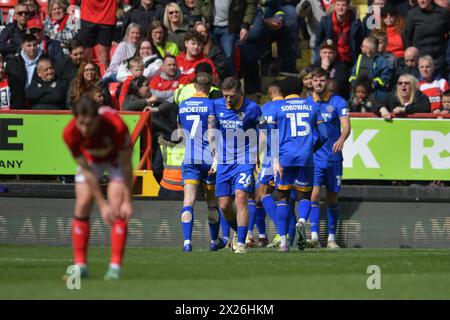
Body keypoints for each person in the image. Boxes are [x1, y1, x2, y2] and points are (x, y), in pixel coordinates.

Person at [63, 95, 133, 281]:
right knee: (82, 204)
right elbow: (86, 171)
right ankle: (80, 265)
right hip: (91, 162)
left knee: (117, 208)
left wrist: (128, 200)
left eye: (88, 124)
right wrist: (102, 204)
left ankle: (115, 267)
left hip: (115, 160)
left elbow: (126, 165)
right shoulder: (70, 133)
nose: (84, 129)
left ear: (97, 118)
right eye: (80, 123)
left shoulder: (116, 127)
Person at [270, 71, 328, 252]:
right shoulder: (312, 106)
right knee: (304, 195)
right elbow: (325, 135)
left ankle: (284, 241)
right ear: (302, 89)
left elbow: (271, 135)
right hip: (305, 157)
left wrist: (275, 160)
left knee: (282, 198)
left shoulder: (277, 107)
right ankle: (302, 221)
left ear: (283, 91)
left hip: (284, 158)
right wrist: (311, 149)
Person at [208, 77, 268, 253]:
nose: (228, 99)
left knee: (241, 197)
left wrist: (258, 152)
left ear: (240, 93)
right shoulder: (217, 105)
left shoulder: (253, 108)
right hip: (224, 161)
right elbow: (212, 129)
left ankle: (241, 243)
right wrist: (215, 155)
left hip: (245, 160)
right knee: (225, 205)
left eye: (231, 96)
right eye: (225, 95)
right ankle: (239, 233)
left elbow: (265, 131)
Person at [299, 67, 350, 249]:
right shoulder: (306, 104)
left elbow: (346, 126)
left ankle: (331, 238)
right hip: (314, 159)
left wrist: (342, 138)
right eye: (315, 80)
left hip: (334, 158)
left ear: (327, 81)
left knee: (332, 198)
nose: (318, 83)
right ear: (310, 82)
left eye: (322, 80)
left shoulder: (338, 102)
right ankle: (313, 236)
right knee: (313, 195)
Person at [177, 71, 227, 252]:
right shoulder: (212, 105)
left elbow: (180, 133)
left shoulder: (182, 105)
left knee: (188, 201)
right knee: (212, 202)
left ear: (194, 85)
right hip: (209, 159)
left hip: (190, 157)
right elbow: (212, 131)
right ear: (211, 86)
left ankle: (187, 243)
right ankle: (214, 241)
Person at [254, 80, 285, 248]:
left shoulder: (266, 108)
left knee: (259, 194)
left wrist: (255, 155)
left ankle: (281, 233)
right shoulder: (289, 106)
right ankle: (263, 236)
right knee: (284, 197)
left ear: (270, 92)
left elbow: (263, 136)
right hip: (290, 157)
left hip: (271, 157)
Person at [193, 0, 257, 77]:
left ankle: (231, 84)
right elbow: (199, 2)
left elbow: (251, 4)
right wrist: (197, 19)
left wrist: (246, 25)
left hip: (229, 26)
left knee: (228, 57)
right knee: (206, 55)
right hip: (209, 25)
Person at [404, 0, 450, 77]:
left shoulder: (443, 13)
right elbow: (408, 38)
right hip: (420, 62)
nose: (421, 1)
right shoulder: (412, 14)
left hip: (439, 60)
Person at [314, 0, 363, 66]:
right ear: (334, 6)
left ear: (348, 7)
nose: (340, 7)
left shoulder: (355, 23)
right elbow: (318, 42)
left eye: (343, 5)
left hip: (348, 59)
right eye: (338, 5)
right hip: (330, 58)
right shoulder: (325, 21)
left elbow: (359, 42)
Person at [349, 37, 392, 102]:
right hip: (358, 93)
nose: (361, 47)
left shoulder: (382, 61)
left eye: (363, 46)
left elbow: (385, 78)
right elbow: (353, 73)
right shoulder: (360, 58)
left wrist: (372, 85)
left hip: (374, 94)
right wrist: (354, 83)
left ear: (368, 49)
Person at [5, 34, 42, 109]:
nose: (32, 48)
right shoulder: (13, 62)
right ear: (22, 46)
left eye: (34, 45)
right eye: (29, 45)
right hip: (18, 103)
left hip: (38, 102)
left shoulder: (45, 60)